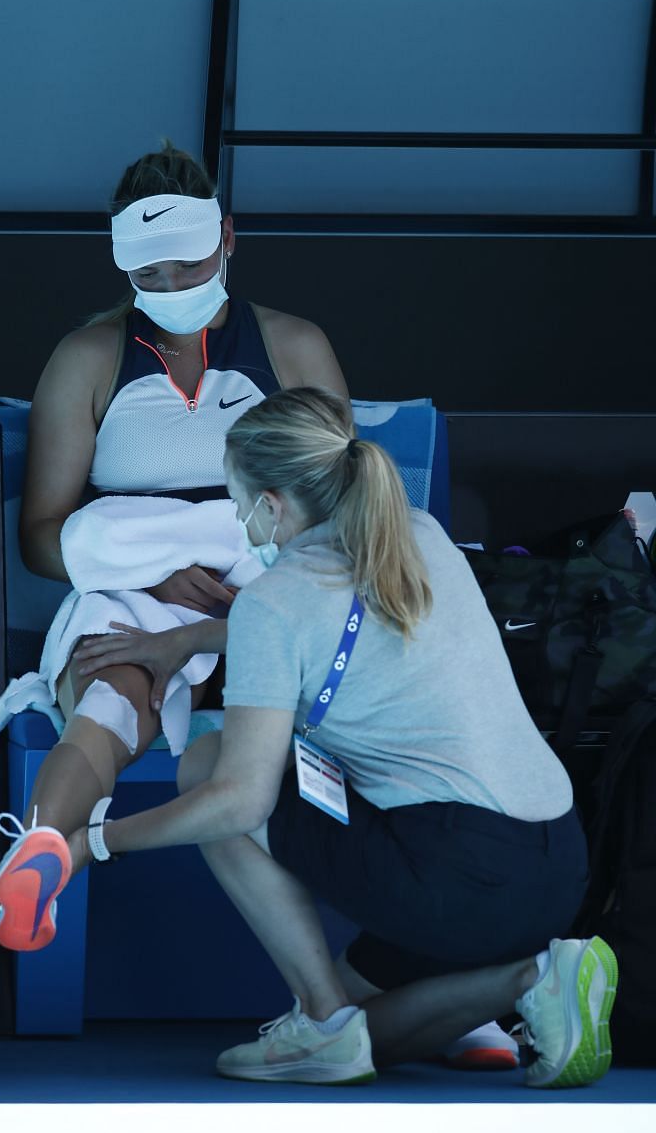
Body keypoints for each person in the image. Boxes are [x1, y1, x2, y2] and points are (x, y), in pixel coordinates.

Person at [62, 386, 617, 1089]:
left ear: (271, 505)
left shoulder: (275, 599)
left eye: (237, 504)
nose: (238, 520)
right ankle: (536, 978)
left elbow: (238, 802)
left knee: (206, 767)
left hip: (456, 871)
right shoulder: (418, 536)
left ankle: (327, 1017)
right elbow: (330, 625)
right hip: (557, 862)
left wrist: (98, 840)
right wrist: (192, 639)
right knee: (366, 1031)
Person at [0, 142, 349, 952]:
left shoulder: (293, 346)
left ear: (228, 238)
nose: (171, 290)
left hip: (275, 587)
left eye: (188, 268)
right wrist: (166, 570)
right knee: (114, 684)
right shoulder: (87, 358)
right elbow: (43, 540)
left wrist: (252, 582)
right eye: (150, 276)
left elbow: (340, 512)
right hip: (135, 590)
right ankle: (44, 847)